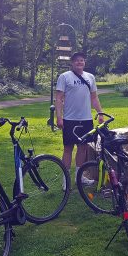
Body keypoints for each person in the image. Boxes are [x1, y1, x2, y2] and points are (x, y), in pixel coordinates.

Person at [55, 52, 104, 187]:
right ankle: (66, 180)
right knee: (68, 148)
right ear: (72, 63)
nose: (79, 62)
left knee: (83, 148)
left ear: (84, 62)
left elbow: (94, 97)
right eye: (77, 60)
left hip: (86, 119)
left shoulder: (90, 77)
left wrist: (100, 113)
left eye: (82, 60)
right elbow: (59, 98)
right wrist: (59, 117)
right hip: (70, 119)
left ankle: (79, 177)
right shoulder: (64, 77)